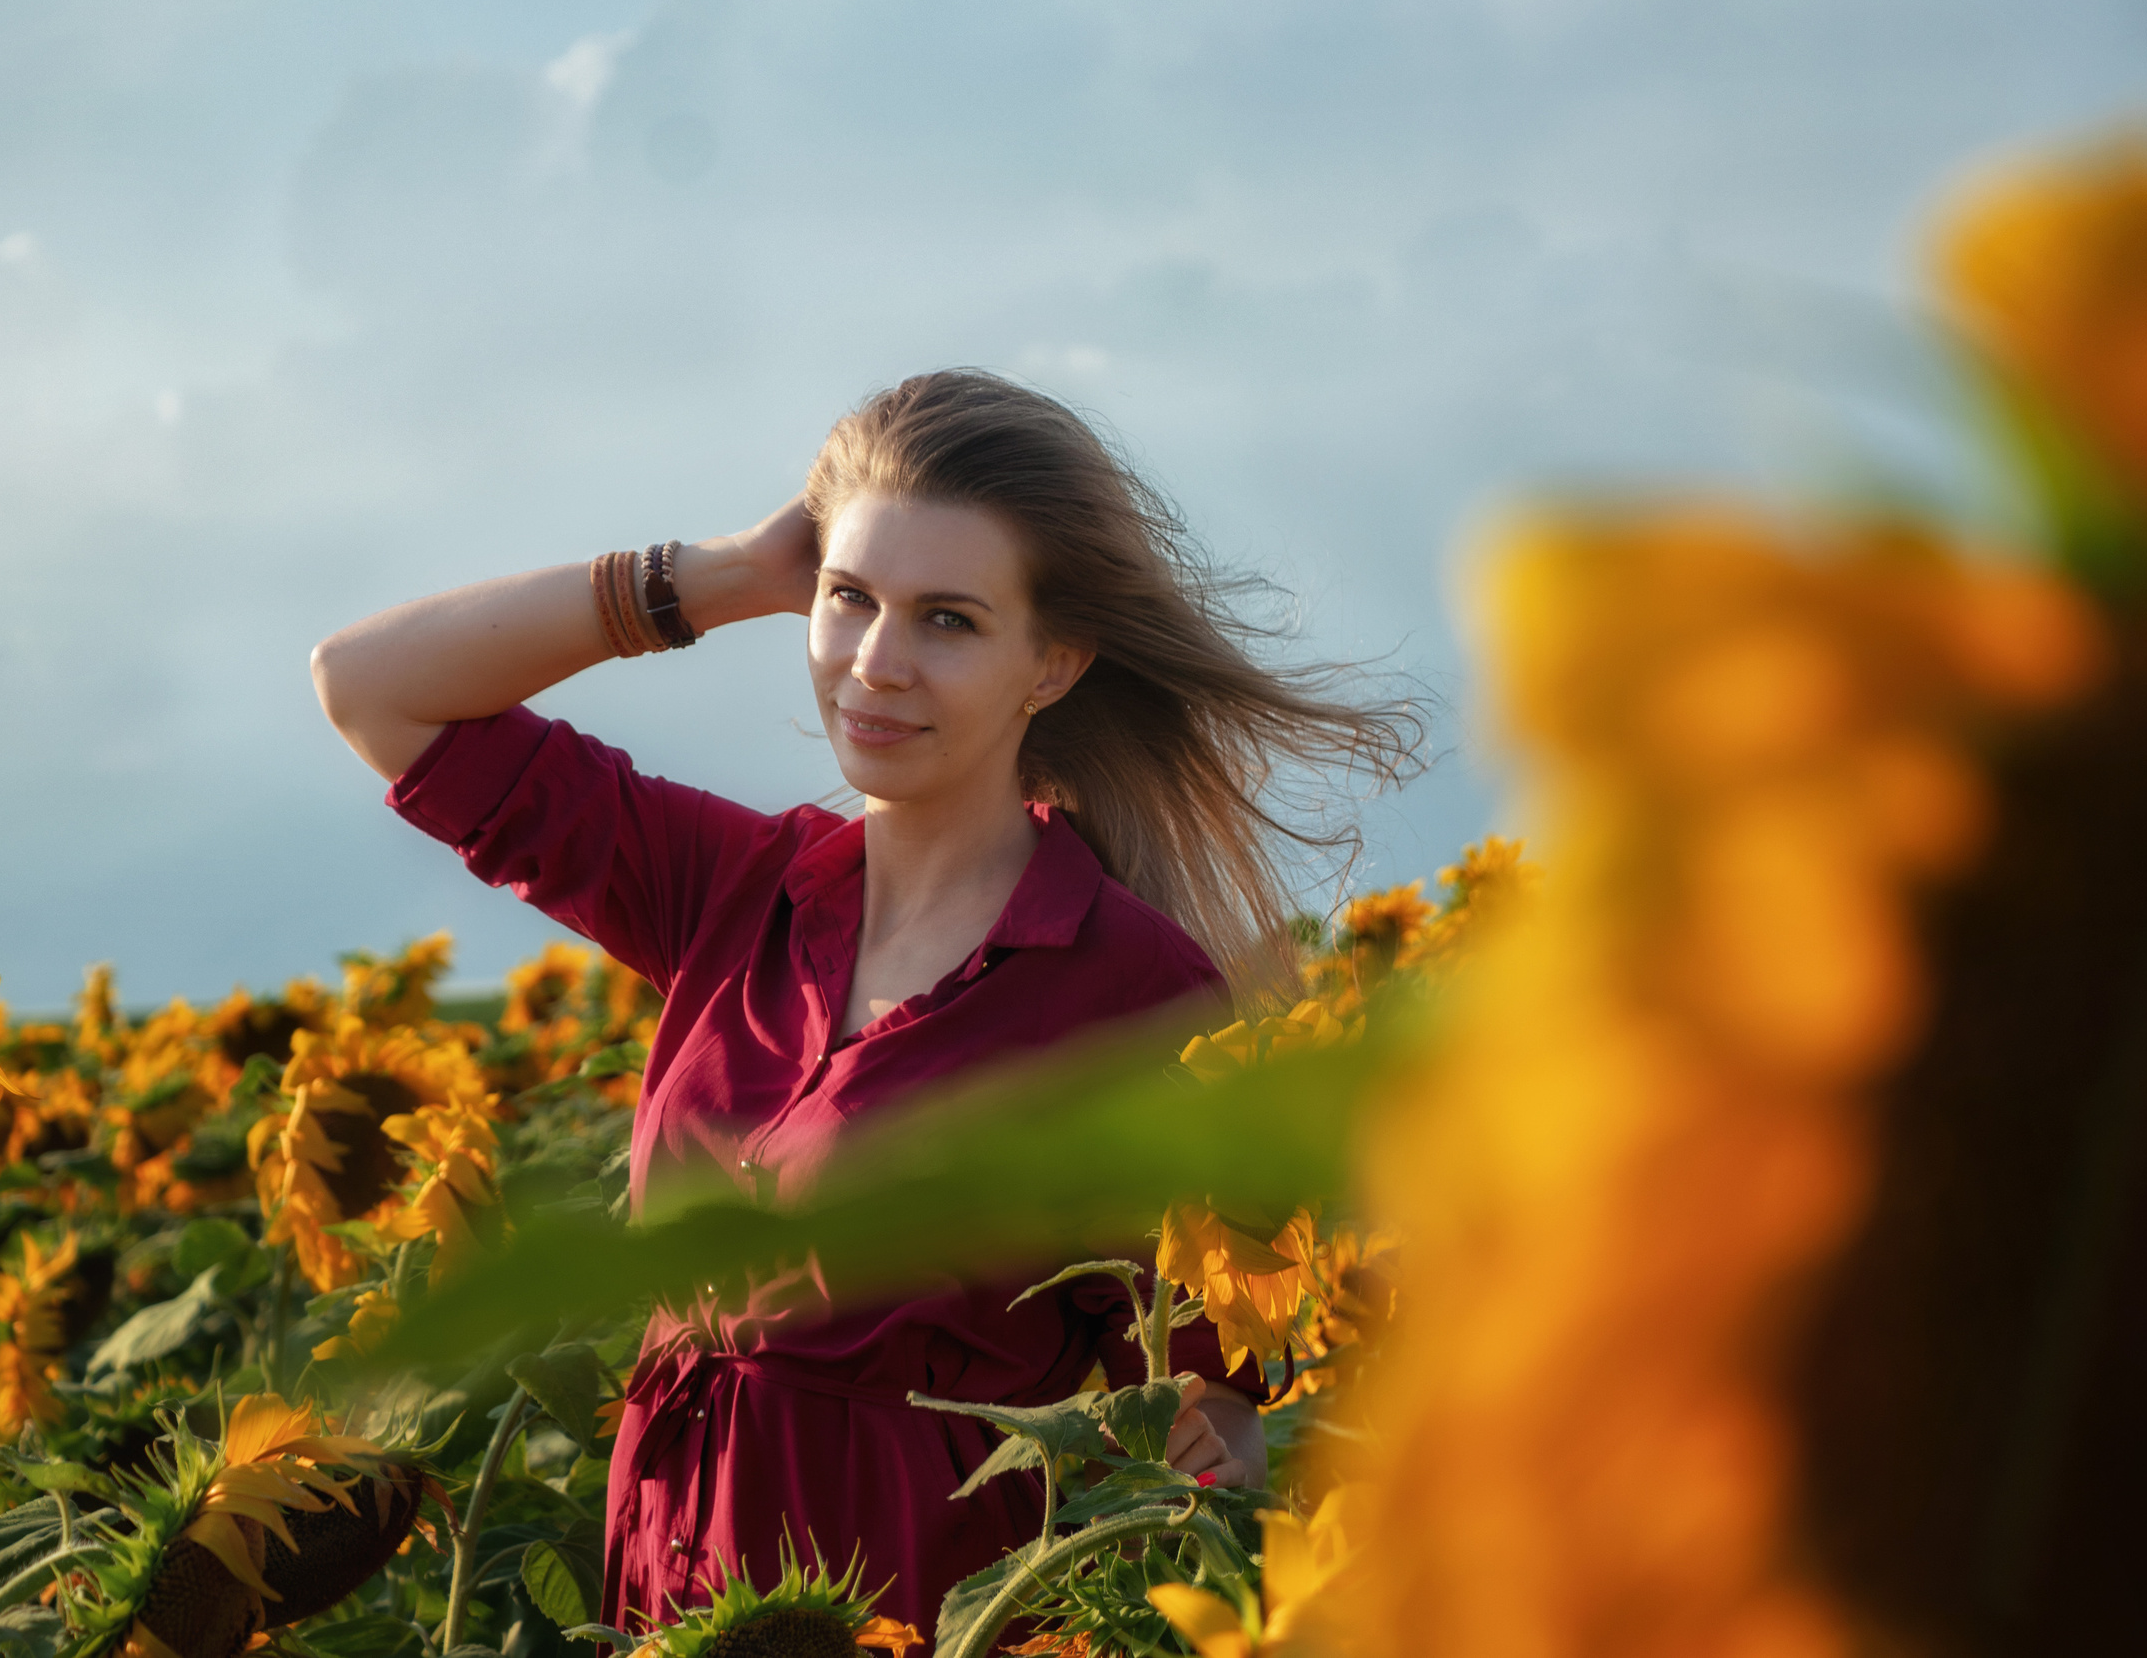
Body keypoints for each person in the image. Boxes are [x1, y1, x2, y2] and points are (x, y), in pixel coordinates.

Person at [310, 369, 1417, 1635]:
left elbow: (1200, 1399)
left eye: (948, 619)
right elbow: (369, 686)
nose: (874, 665)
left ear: (1051, 664)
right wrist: (724, 574)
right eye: (850, 599)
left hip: (915, 1610)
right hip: (658, 1604)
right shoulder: (732, 891)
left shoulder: (1135, 995)